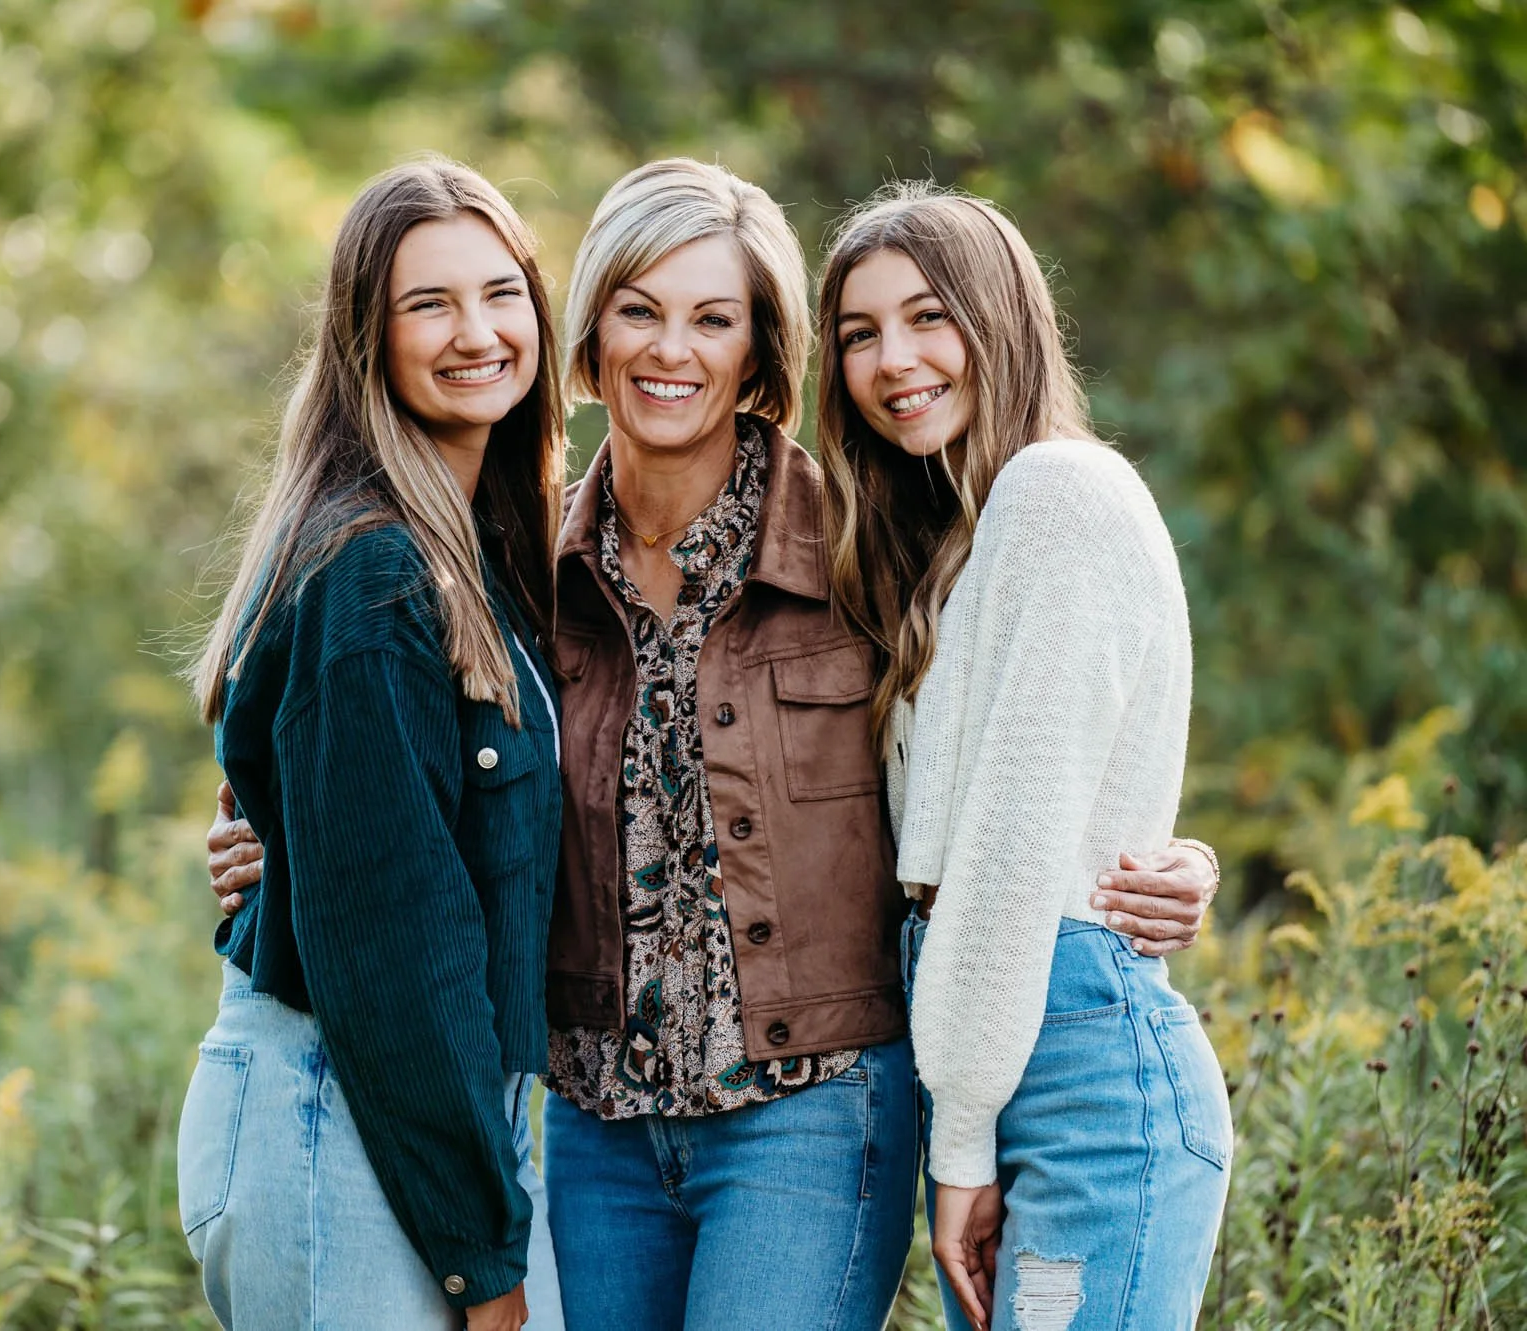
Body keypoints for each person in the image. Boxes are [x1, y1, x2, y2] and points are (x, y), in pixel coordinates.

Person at [204, 160, 1222, 1330]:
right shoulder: (520, 572)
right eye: (637, 309)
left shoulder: (861, 545)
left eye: (713, 318)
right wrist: (269, 835)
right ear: (587, 336)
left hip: (811, 1113)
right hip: (595, 1127)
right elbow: (388, 774)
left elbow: (1004, 732)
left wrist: (1155, 852)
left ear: (760, 352)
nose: (668, 350)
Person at [817, 180, 1231, 1331]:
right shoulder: (949, 545)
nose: (892, 357)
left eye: (925, 315)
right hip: (1009, 1061)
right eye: (858, 332)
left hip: (1079, 1083)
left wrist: (957, 1146)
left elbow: (1007, 857)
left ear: (998, 317)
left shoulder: (1058, 492)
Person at [175, 156, 568, 1331]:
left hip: (415, 1110)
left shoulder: (473, 553)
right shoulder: (376, 570)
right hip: (338, 1109)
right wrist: (482, 1257)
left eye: (500, 294)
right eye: (427, 304)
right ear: (365, 338)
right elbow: (398, 939)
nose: (476, 332)